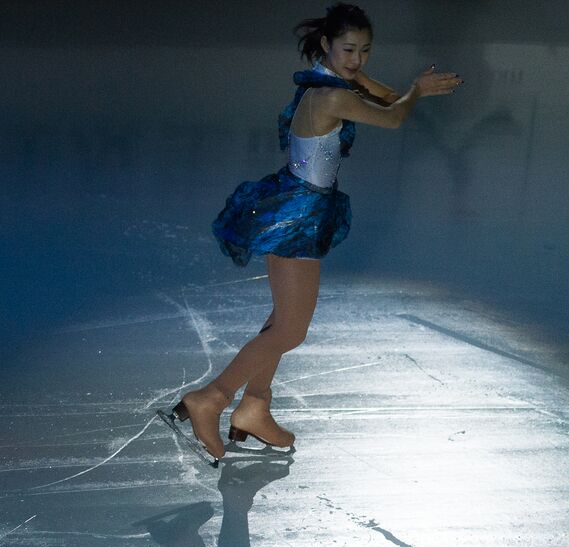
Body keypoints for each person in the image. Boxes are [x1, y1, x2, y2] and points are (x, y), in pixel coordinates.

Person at [162, 3, 462, 463]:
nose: (357, 59)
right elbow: (395, 116)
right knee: (291, 330)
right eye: (348, 49)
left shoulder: (334, 84)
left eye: (364, 50)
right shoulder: (328, 97)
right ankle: (211, 398)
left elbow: (385, 99)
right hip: (298, 214)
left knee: (281, 321)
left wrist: (393, 87)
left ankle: (254, 407)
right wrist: (415, 91)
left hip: (303, 206)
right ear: (326, 45)